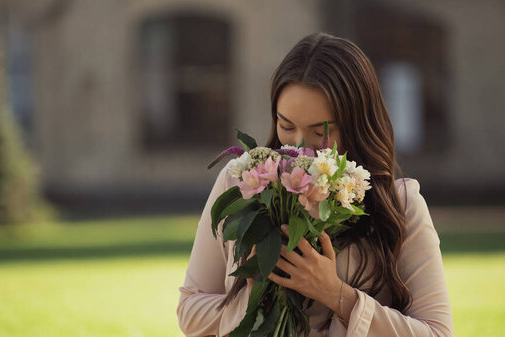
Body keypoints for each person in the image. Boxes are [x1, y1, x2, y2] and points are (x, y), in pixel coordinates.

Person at [176, 32, 453, 337]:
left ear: (356, 124)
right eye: (286, 125)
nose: (298, 147)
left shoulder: (401, 204)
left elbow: (437, 333)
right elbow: (190, 313)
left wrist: (336, 294)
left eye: (320, 132)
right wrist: (254, 298)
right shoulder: (242, 180)